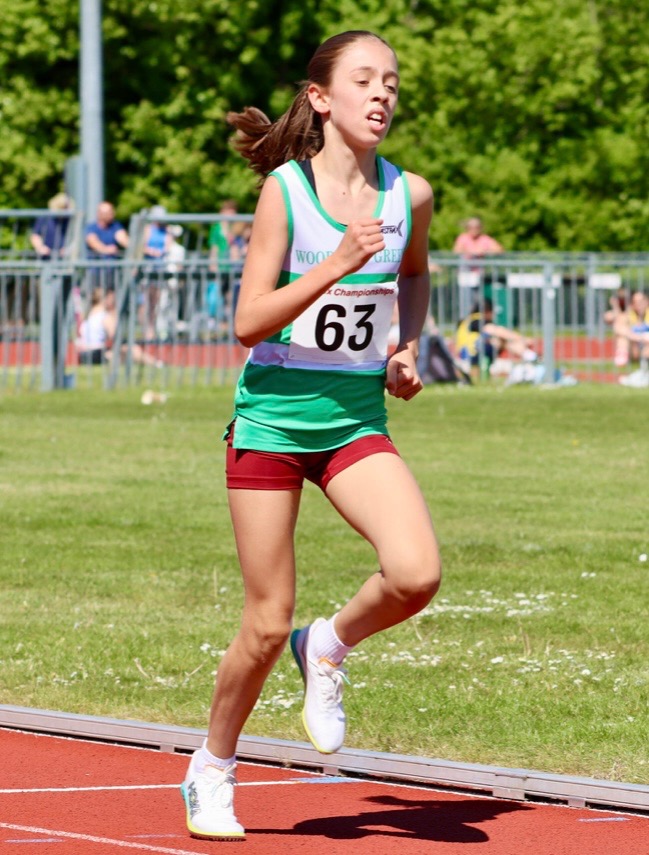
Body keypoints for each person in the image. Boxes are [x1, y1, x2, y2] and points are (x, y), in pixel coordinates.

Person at [180, 30, 441, 841]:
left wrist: (404, 347)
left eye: (390, 81)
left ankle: (325, 645)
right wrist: (332, 264)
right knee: (264, 620)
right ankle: (211, 768)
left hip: (354, 421)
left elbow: (413, 274)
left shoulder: (409, 195)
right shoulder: (285, 193)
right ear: (321, 98)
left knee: (416, 573)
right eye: (364, 80)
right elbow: (247, 321)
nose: (382, 94)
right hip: (271, 423)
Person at [455, 298, 537, 378]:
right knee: (498, 340)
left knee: (494, 339)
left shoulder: (468, 320)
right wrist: (522, 339)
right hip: (471, 355)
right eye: (493, 312)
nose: (494, 315)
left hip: (464, 354)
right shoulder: (478, 320)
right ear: (487, 311)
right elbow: (497, 331)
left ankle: (529, 356)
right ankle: (530, 356)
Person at [610, 290, 649, 368]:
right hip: (634, 347)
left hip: (646, 346)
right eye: (636, 302)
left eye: (641, 301)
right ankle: (622, 360)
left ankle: (645, 362)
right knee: (622, 339)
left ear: (647, 302)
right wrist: (638, 337)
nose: (639, 304)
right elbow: (617, 328)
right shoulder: (628, 315)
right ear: (632, 304)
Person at [30, 192, 73, 260]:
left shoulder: (70, 219)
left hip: (64, 258)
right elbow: (35, 236)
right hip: (46, 257)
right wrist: (40, 247)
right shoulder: (44, 218)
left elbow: (75, 238)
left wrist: (68, 249)